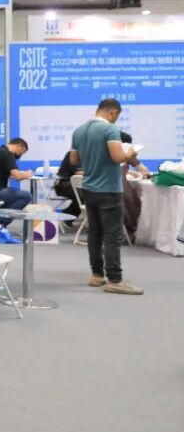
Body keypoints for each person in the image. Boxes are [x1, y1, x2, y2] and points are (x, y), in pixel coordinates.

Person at [69, 99, 143, 295]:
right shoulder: (110, 130)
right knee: (112, 236)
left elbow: (74, 159)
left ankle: (97, 275)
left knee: (94, 233)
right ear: (113, 113)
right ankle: (115, 279)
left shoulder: (79, 131)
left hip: (89, 189)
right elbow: (118, 158)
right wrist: (131, 152)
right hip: (109, 190)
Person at [0, 138, 35, 218]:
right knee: (26, 196)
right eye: (22, 152)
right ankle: (2, 220)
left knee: (11, 196)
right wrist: (27, 174)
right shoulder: (8, 154)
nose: (20, 155)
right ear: (19, 146)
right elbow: (17, 176)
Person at [54, 146, 83, 219]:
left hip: (78, 185)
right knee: (87, 194)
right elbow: (79, 173)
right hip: (65, 185)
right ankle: (70, 218)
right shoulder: (74, 154)